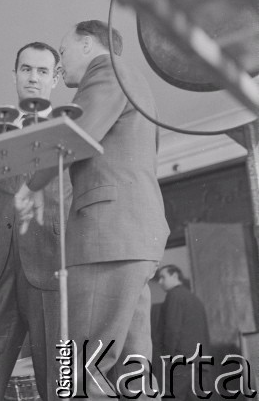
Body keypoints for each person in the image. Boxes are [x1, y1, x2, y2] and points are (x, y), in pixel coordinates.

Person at [15, 21, 170, 399]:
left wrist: (32, 185)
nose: (58, 66)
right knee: (135, 373)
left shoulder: (107, 72)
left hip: (106, 237)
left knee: (83, 371)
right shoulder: (136, 82)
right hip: (135, 239)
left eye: (62, 53)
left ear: (86, 44)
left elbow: (77, 133)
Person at [0, 42, 72, 401]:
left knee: (59, 381)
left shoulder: (71, 130)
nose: (32, 78)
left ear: (55, 78)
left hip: (51, 266)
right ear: (15, 74)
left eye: (41, 71)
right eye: (25, 69)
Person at [156, 264, 211, 400]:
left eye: (163, 277)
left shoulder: (174, 296)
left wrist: (167, 356)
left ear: (175, 276)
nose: (159, 282)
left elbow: (171, 329)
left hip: (181, 361)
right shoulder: (194, 299)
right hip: (199, 362)